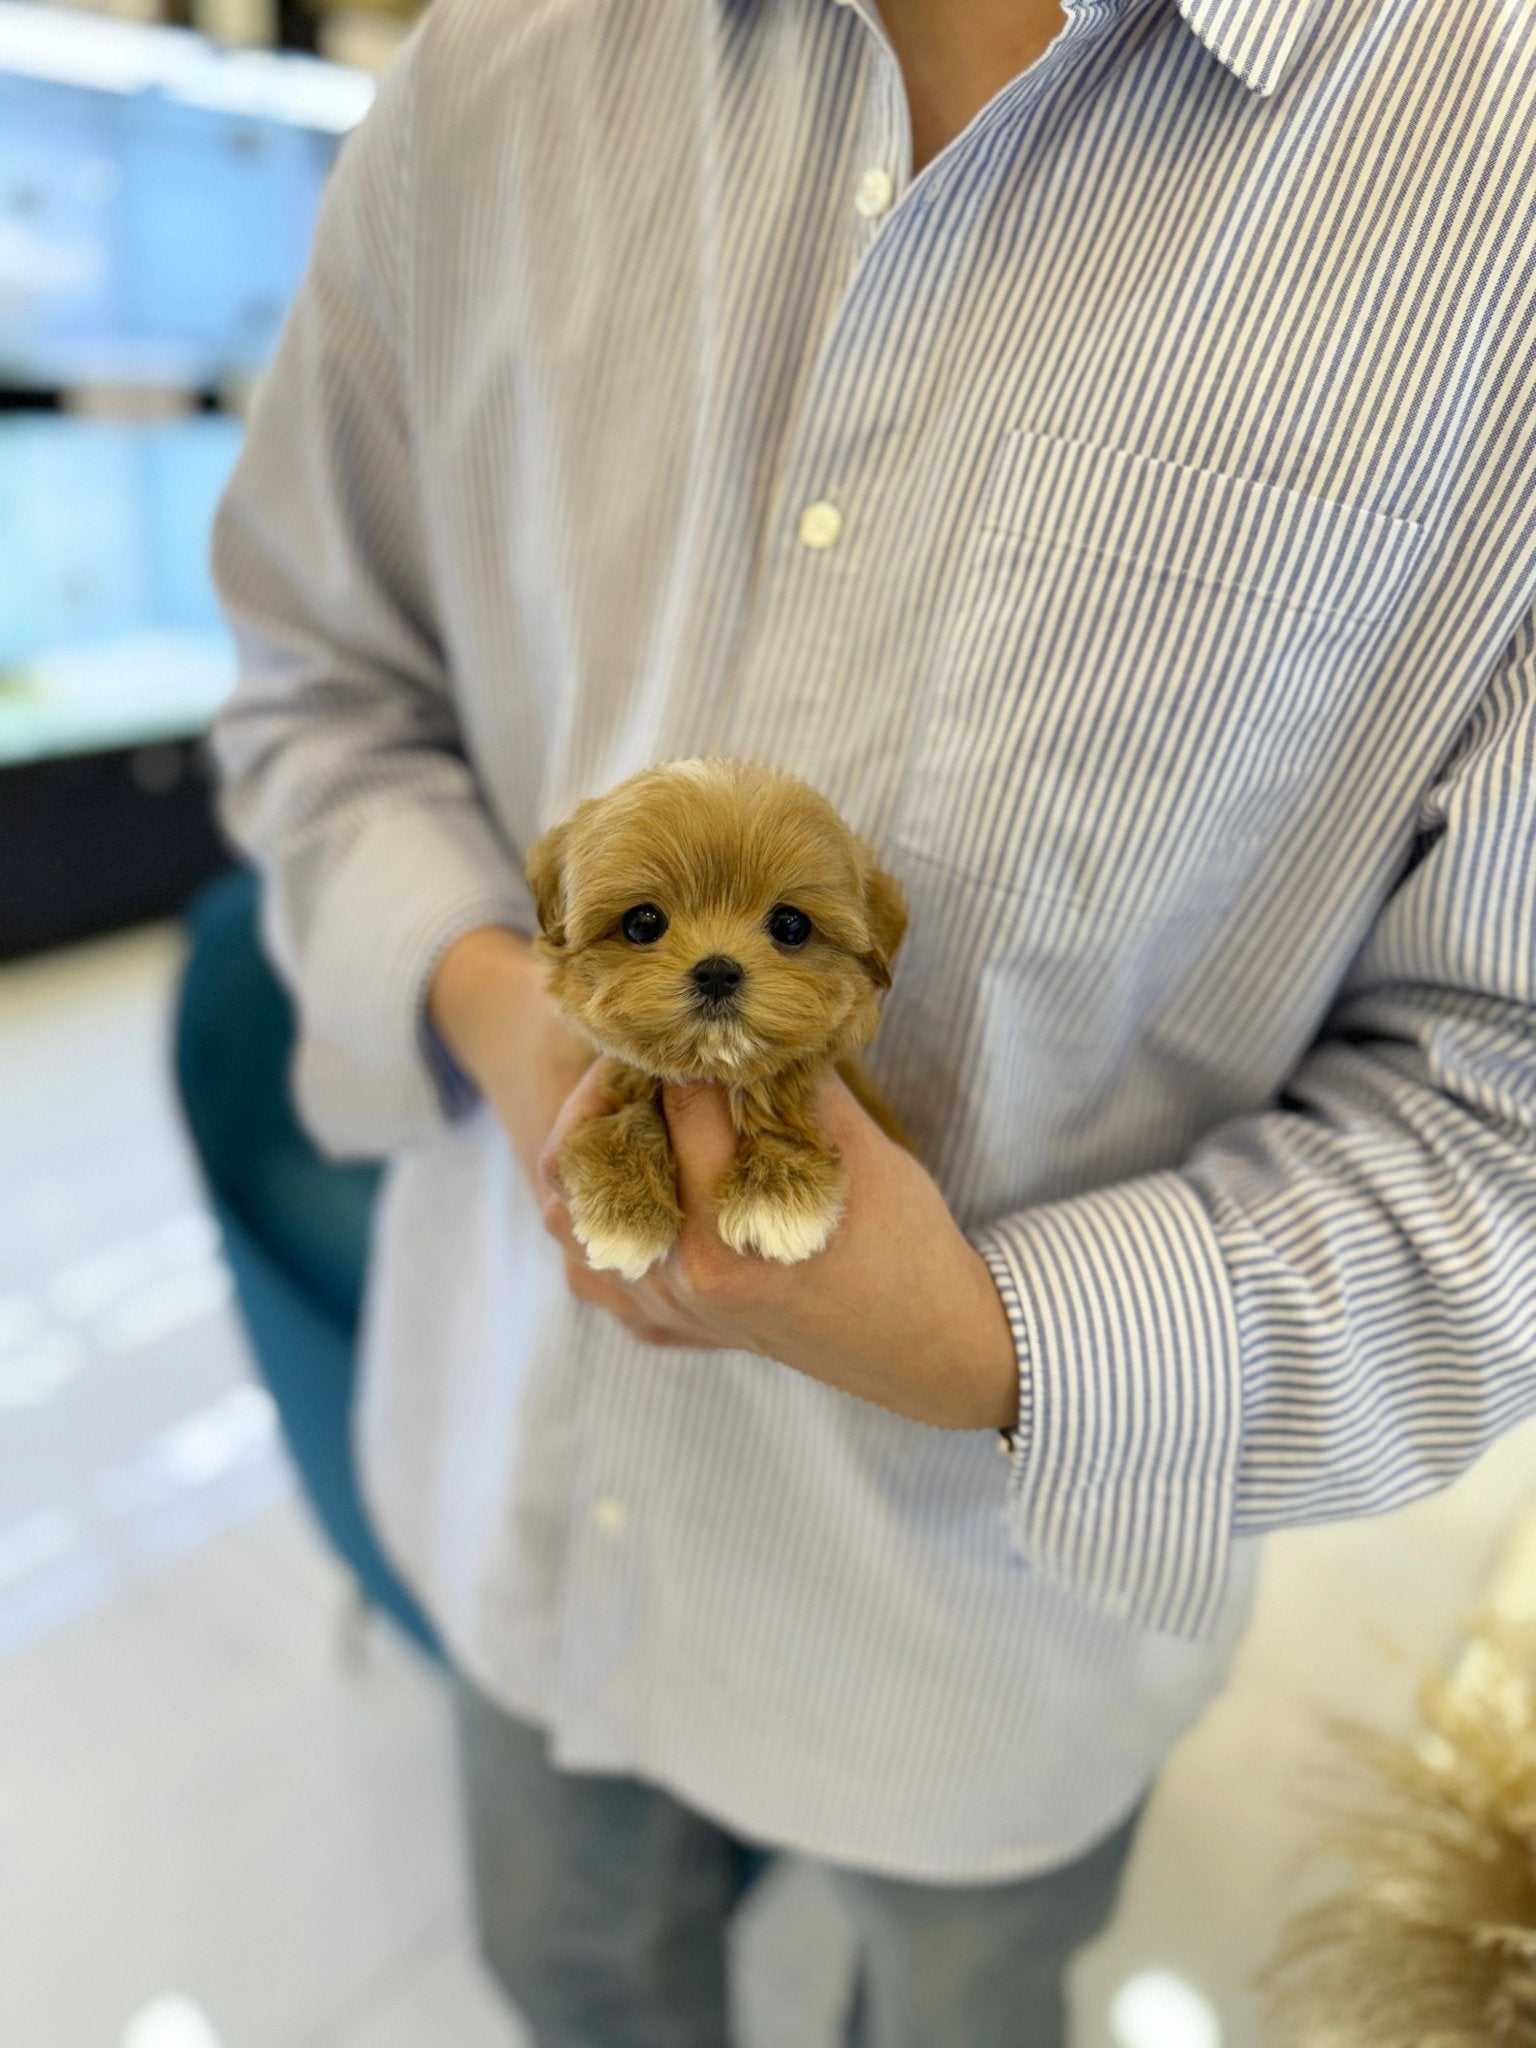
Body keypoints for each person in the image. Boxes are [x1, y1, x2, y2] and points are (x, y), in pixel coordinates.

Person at [205, 0, 1536, 2034]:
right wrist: (505, 1008)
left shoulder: (1491, 165)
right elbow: (322, 687)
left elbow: (1501, 1106)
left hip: (984, 1643)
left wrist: (1001, 1340)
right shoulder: (498, 66)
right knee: (570, 1977)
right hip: (518, 1484)